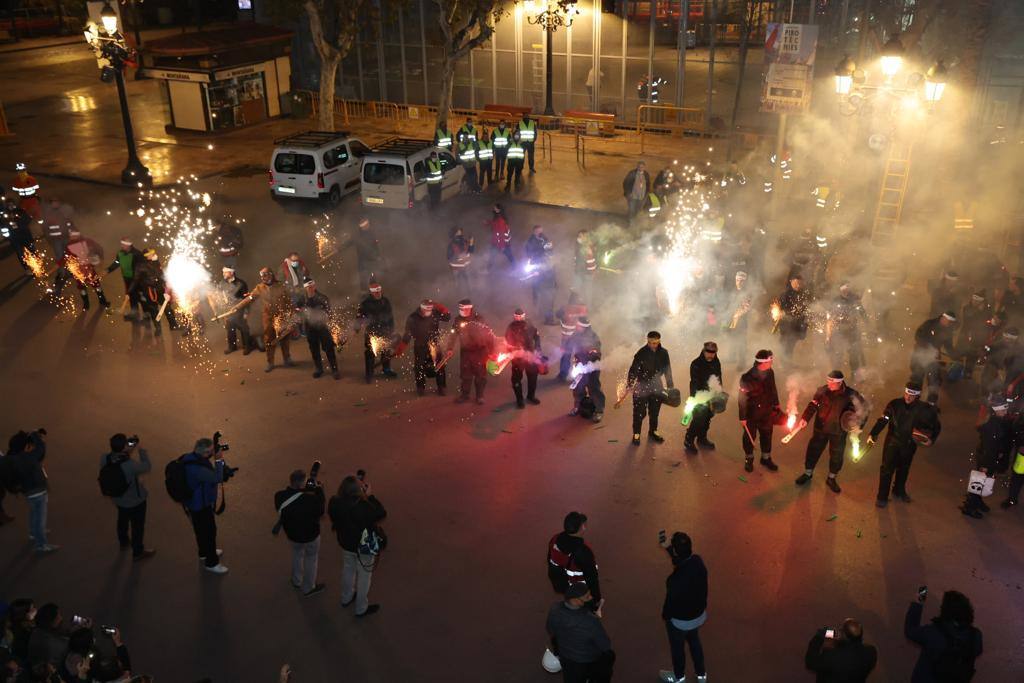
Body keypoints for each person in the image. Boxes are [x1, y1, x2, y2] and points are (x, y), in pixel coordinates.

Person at [868, 381, 941, 508]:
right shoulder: (894, 405)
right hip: (892, 442)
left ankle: (898, 491)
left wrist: (931, 439)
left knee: (904, 469)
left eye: (911, 396)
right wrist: (873, 433)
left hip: (909, 444)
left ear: (917, 396)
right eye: (907, 394)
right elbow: (883, 420)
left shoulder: (925, 410)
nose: (908, 397)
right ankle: (882, 497)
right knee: (886, 469)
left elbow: (936, 425)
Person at [795, 370, 868, 494]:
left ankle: (832, 478)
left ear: (839, 383)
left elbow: (864, 408)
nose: (828, 383)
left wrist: (858, 425)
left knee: (836, 455)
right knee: (813, 450)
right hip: (820, 429)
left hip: (838, 432)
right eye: (827, 380)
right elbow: (813, 405)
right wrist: (805, 418)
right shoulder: (822, 391)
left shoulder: (851, 394)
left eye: (831, 382)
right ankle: (808, 473)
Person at [328, 474, 387, 618]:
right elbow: (381, 513)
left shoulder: (334, 502)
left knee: (348, 570)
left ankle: (346, 597)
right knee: (364, 576)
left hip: (346, 543)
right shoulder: (364, 506)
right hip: (364, 546)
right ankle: (361, 608)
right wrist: (370, 496)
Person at [658, 532, 708, 683]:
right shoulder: (697, 561)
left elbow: (670, 605)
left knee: (678, 649)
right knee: (694, 641)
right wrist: (669, 549)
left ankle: (679, 677)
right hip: (698, 615)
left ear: (676, 551)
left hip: (680, 621)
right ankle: (701, 675)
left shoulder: (674, 580)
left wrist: (666, 616)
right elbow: (682, 562)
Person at [904, 589, 983, 682]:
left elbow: (910, 630)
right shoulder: (976, 635)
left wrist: (919, 600)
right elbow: (977, 651)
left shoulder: (933, 633)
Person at [99, 434, 155, 561]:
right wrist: (142, 450)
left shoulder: (104, 458)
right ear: (124, 447)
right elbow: (147, 466)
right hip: (135, 501)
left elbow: (116, 465)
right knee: (137, 526)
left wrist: (126, 450)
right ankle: (138, 551)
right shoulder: (130, 465)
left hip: (118, 499)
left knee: (122, 519)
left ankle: (123, 542)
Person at [546, 583, 615, 683]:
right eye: (587, 597)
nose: (591, 598)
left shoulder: (554, 609)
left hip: (566, 657)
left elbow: (551, 630)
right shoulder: (590, 621)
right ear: (575, 600)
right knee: (609, 657)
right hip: (587, 659)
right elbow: (605, 644)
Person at [180, 438, 230, 574]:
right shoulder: (198, 469)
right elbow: (218, 477)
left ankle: (204, 553)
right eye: (211, 451)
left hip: (193, 503)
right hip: (200, 505)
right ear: (206, 452)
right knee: (209, 532)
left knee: (199, 530)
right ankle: (211, 563)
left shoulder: (189, 458)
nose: (213, 452)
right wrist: (219, 459)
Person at [274, 468, 326, 597]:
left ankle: (297, 580)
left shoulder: (279, 496)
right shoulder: (311, 500)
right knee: (311, 559)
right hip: (311, 536)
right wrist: (319, 490)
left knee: (297, 555)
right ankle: (308, 588)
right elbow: (320, 511)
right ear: (302, 484)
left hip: (292, 535)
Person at [961, 395, 1013, 519]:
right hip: (987, 459)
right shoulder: (992, 425)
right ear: (996, 410)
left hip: (990, 458)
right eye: (1003, 410)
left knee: (982, 481)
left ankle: (977, 501)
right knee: (978, 482)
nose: (1006, 412)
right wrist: (985, 465)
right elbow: (989, 447)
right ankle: (970, 507)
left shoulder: (997, 421)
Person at [234, 267, 295, 372]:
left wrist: (292, 315)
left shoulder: (281, 286)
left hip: (282, 316)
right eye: (262, 276)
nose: (263, 278)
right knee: (269, 339)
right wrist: (237, 307)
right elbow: (250, 298)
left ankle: (287, 359)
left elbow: (288, 301)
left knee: (284, 338)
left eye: (265, 275)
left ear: (271, 275)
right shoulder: (259, 288)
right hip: (268, 317)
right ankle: (270, 362)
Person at [618, 331, 674, 445]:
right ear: (647, 341)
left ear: (659, 341)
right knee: (639, 412)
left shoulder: (664, 353)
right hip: (641, 385)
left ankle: (653, 431)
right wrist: (629, 384)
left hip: (657, 385)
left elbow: (668, 370)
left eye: (654, 343)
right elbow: (633, 369)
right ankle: (636, 433)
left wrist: (670, 387)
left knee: (654, 411)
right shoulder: (641, 353)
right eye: (650, 342)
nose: (652, 345)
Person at [8, 430, 57, 553]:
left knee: (33, 512)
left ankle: (32, 532)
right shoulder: (30, 456)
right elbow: (41, 448)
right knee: (40, 517)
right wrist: (35, 435)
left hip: (28, 492)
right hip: (39, 491)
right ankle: (41, 544)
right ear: (25, 446)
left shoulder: (12, 460)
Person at [738, 350, 782, 473]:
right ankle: (749, 458)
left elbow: (773, 389)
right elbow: (742, 399)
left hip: (767, 411)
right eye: (770, 360)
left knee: (767, 434)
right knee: (749, 437)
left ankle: (765, 458)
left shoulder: (770, 372)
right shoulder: (746, 378)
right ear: (763, 363)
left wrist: (776, 403)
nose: (772, 362)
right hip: (752, 414)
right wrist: (742, 417)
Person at [546, 511, 601, 607]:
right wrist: (596, 598)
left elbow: (550, 559)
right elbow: (592, 578)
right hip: (579, 588)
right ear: (582, 528)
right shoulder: (583, 552)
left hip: (562, 584)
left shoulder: (554, 539)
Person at [398, 299, 451, 396]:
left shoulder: (435, 313)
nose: (429, 312)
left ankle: (441, 387)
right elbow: (408, 333)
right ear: (421, 308)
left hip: (434, 345)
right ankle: (420, 388)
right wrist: (402, 346)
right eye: (427, 310)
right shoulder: (413, 317)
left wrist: (440, 306)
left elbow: (447, 317)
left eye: (430, 309)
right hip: (420, 346)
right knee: (419, 367)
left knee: (439, 365)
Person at [446, 299, 494, 404]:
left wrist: (491, 351)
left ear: (469, 308)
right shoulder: (458, 320)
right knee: (465, 375)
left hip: (480, 352)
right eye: (460, 308)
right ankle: (465, 395)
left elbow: (489, 334)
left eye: (463, 308)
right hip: (466, 352)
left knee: (480, 375)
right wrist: (450, 348)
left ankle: (480, 396)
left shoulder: (479, 318)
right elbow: (453, 334)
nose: (461, 310)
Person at [54, 227, 111, 311]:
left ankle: (102, 301)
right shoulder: (69, 246)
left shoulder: (87, 241)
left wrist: (100, 258)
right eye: (71, 235)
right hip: (78, 270)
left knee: (96, 284)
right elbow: (66, 258)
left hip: (89, 268)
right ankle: (86, 303)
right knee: (81, 287)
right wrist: (58, 264)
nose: (71, 237)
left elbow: (99, 248)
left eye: (73, 235)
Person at [804, 619, 878, 682]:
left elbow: (810, 662)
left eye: (841, 631)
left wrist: (819, 637)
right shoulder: (870, 653)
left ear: (844, 636)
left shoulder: (830, 656)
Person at [128, 249, 178, 337]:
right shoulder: (140, 266)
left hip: (160, 289)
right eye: (151, 254)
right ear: (147, 256)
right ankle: (158, 329)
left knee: (168, 309)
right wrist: (129, 292)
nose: (154, 254)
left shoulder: (156, 262)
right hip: (149, 292)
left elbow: (161, 274)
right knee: (154, 311)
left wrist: (167, 285)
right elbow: (135, 280)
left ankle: (173, 325)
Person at [912, 311, 958, 404]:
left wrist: (955, 355)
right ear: (943, 318)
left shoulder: (948, 331)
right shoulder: (929, 324)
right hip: (920, 355)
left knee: (934, 380)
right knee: (917, 379)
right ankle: (913, 402)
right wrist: (929, 348)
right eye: (947, 321)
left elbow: (948, 346)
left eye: (950, 322)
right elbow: (918, 336)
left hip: (933, 359)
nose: (948, 323)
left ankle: (931, 404)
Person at [355, 280, 397, 383]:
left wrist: (391, 329)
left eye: (379, 291)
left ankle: (386, 369)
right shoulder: (365, 304)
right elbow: (360, 317)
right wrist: (356, 328)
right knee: (370, 352)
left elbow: (390, 316)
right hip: (372, 332)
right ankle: (369, 373)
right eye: (375, 291)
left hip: (385, 330)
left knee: (386, 350)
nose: (378, 293)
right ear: (371, 292)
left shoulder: (386, 301)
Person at [684, 342, 722, 455]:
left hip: (712, 395)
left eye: (713, 353)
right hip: (699, 395)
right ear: (704, 351)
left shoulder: (716, 362)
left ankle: (702, 438)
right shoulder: (696, 364)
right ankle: (688, 439)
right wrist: (694, 398)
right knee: (698, 419)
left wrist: (719, 392)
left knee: (708, 418)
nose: (710, 355)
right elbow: (694, 382)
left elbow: (719, 377)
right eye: (708, 352)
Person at [300, 279, 339, 380]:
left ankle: (334, 370)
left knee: (329, 348)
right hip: (310, 328)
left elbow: (329, 312)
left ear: (315, 286)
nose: (310, 288)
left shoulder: (322, 298)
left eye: (312, 286)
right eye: (308, 287)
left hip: (322, 327)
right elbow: (298, 313)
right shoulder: (302, 300)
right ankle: (319, 369)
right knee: (314, 349)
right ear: (305, 288)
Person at [826, 283, 867, 378]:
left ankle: (855, 375)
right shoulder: (835, 300)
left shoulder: (855, 299)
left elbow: (862, 312)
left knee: (854, 354)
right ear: (840, 289)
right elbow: (830, 318)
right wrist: (828, 336)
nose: (846, 289)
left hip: (852, 331)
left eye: (848, 287)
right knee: (838, 354)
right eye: (844, 287)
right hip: (839, 331)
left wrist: (867, 325)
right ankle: (836, 375)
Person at [569, 317, 605, 422]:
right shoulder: (576, 335)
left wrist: (589, 356)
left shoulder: (594, 338)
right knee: (577, 387)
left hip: (591, 367)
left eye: (578, 326)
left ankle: (599, 410)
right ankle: (578, 406)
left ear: (583, 327)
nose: (576, 327)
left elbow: (597, 354)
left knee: (594, 387)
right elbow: (570, 345)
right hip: (578, 365)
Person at [505, 308, 541, 408]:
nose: (518, 318)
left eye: (520, 316)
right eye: (516, 316)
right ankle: (519, 400)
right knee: (516, 379)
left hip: (530, 356)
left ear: (524, 316)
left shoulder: (530, 325)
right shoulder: (511, 327)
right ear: (514, 316)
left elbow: (537, 337)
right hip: (517, 359)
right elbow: (507, 342)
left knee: (533, 377)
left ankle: (531, 396)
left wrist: (538, 350)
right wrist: (514, 351)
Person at [106, 238, 145, 322]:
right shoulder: (120, 253)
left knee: (140, 297)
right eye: (121, 244)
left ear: (129, 245)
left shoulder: (137, 254)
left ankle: (147, 316)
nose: (122, 246)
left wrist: (132, 287)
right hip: (127, 278)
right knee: (131, 297)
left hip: (137, 280)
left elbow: (140, 271)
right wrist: (108, 270)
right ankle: (135, 314)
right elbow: (117, 262)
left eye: (124, 244)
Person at [524, 224, 557, 324]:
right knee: (544, 295)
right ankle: (546, 318)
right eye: (539, 231)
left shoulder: (544, 238)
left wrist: (549, 248)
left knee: (544, 294)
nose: (541, 233)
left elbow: (550, 251)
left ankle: (542, 314)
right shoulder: (531, 242)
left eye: (541, 231)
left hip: (545, 273)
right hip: (541, 273)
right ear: (534, 231)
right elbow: (530, 255)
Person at [219, 266, 254, 355]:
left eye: (225, 272)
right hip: (228, 310)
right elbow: (220, 297)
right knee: (230, 329)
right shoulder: (222, 283)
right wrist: (222, 311)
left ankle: (247, 346)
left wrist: (246, 312)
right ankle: (232, 347)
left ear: (231, 273)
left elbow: (247, 299)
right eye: (223, 272)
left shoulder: (241, 283)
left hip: (239, 310)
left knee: (244, 329)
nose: (223, 274)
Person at [957, 291, 991, 381]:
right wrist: (979, 311)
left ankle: (967, 374)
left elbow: (986, 323)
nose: (974, 301)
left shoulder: (987, 311)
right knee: (959, 354)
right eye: (973, 299)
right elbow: (969, 319)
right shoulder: (967, 308)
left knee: (972, 356)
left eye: (976, 300)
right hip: (965, 334)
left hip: (978, 337)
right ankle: (956, 371)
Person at [556, 292, 588, 381]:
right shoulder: (582, 309)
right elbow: (585, 322)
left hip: (566, 336)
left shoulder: (565, 308)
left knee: (566, 355)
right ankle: (578, 375)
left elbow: (557, 314)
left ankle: (563, 374)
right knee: (578, 356)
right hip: (578, 337)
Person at [778, 275, 811, 359]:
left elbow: (807, 308)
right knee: (785, 343)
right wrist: (790, 313)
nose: (798, 285)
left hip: (797, 324)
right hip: (786, 324)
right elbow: (781, 310)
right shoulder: (785, 294)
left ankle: (787, 361)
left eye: (800, 283)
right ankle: (784, 363)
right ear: (791, 282)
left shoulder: (804, 294)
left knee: (792, 343)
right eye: (796, 283)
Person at [352, 217, 383, 289]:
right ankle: (364, 292)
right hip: (363, 261)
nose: (368, 226)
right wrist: (338, 249)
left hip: (371, 260)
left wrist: (378, 256)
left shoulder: (371, 234)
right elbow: (349, 242)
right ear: (363, 227)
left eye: (368, 224)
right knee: (363, 277)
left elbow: (375, 246)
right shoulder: (357, 236)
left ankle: (374, 291)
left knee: (373, 276)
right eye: (366, 225)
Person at [447, 226, 475, 297]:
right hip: (456, 268)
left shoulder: (465, 241)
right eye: (457, 232)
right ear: (454, 233)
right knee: (458, 283)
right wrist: (454, 260)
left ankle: (471, 295)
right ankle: (458, 296)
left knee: (468, 283)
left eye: (460, 231)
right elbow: (449, 256)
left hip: (465, 266)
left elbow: (471, 251)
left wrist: (471, 243)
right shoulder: (452, 243)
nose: (459, 233)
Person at [485, 203, 514, 271]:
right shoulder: (498, 216)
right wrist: (488, 222)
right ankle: (488, 269)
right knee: (493, 256)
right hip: (499, 242)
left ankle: (515, 268)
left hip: (501, 243)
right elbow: (495, 223)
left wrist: (501, 246)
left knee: (508, 255)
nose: (493, 208)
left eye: (495, 208)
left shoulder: (500, 220)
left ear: (498, 210)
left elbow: (501, 234)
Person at [573, 230, 597, 306]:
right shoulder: (578, 245)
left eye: (581, 236)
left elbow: (591, 261)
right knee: (576, 291)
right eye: (578, 236)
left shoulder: (588, 246)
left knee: (587, 292)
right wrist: (575, 267)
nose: (579, 237)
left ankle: (588, 309)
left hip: (587, 273)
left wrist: (592, 271)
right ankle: (575, 308)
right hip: (578, 272)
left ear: (585, 237)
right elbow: (576, 258)